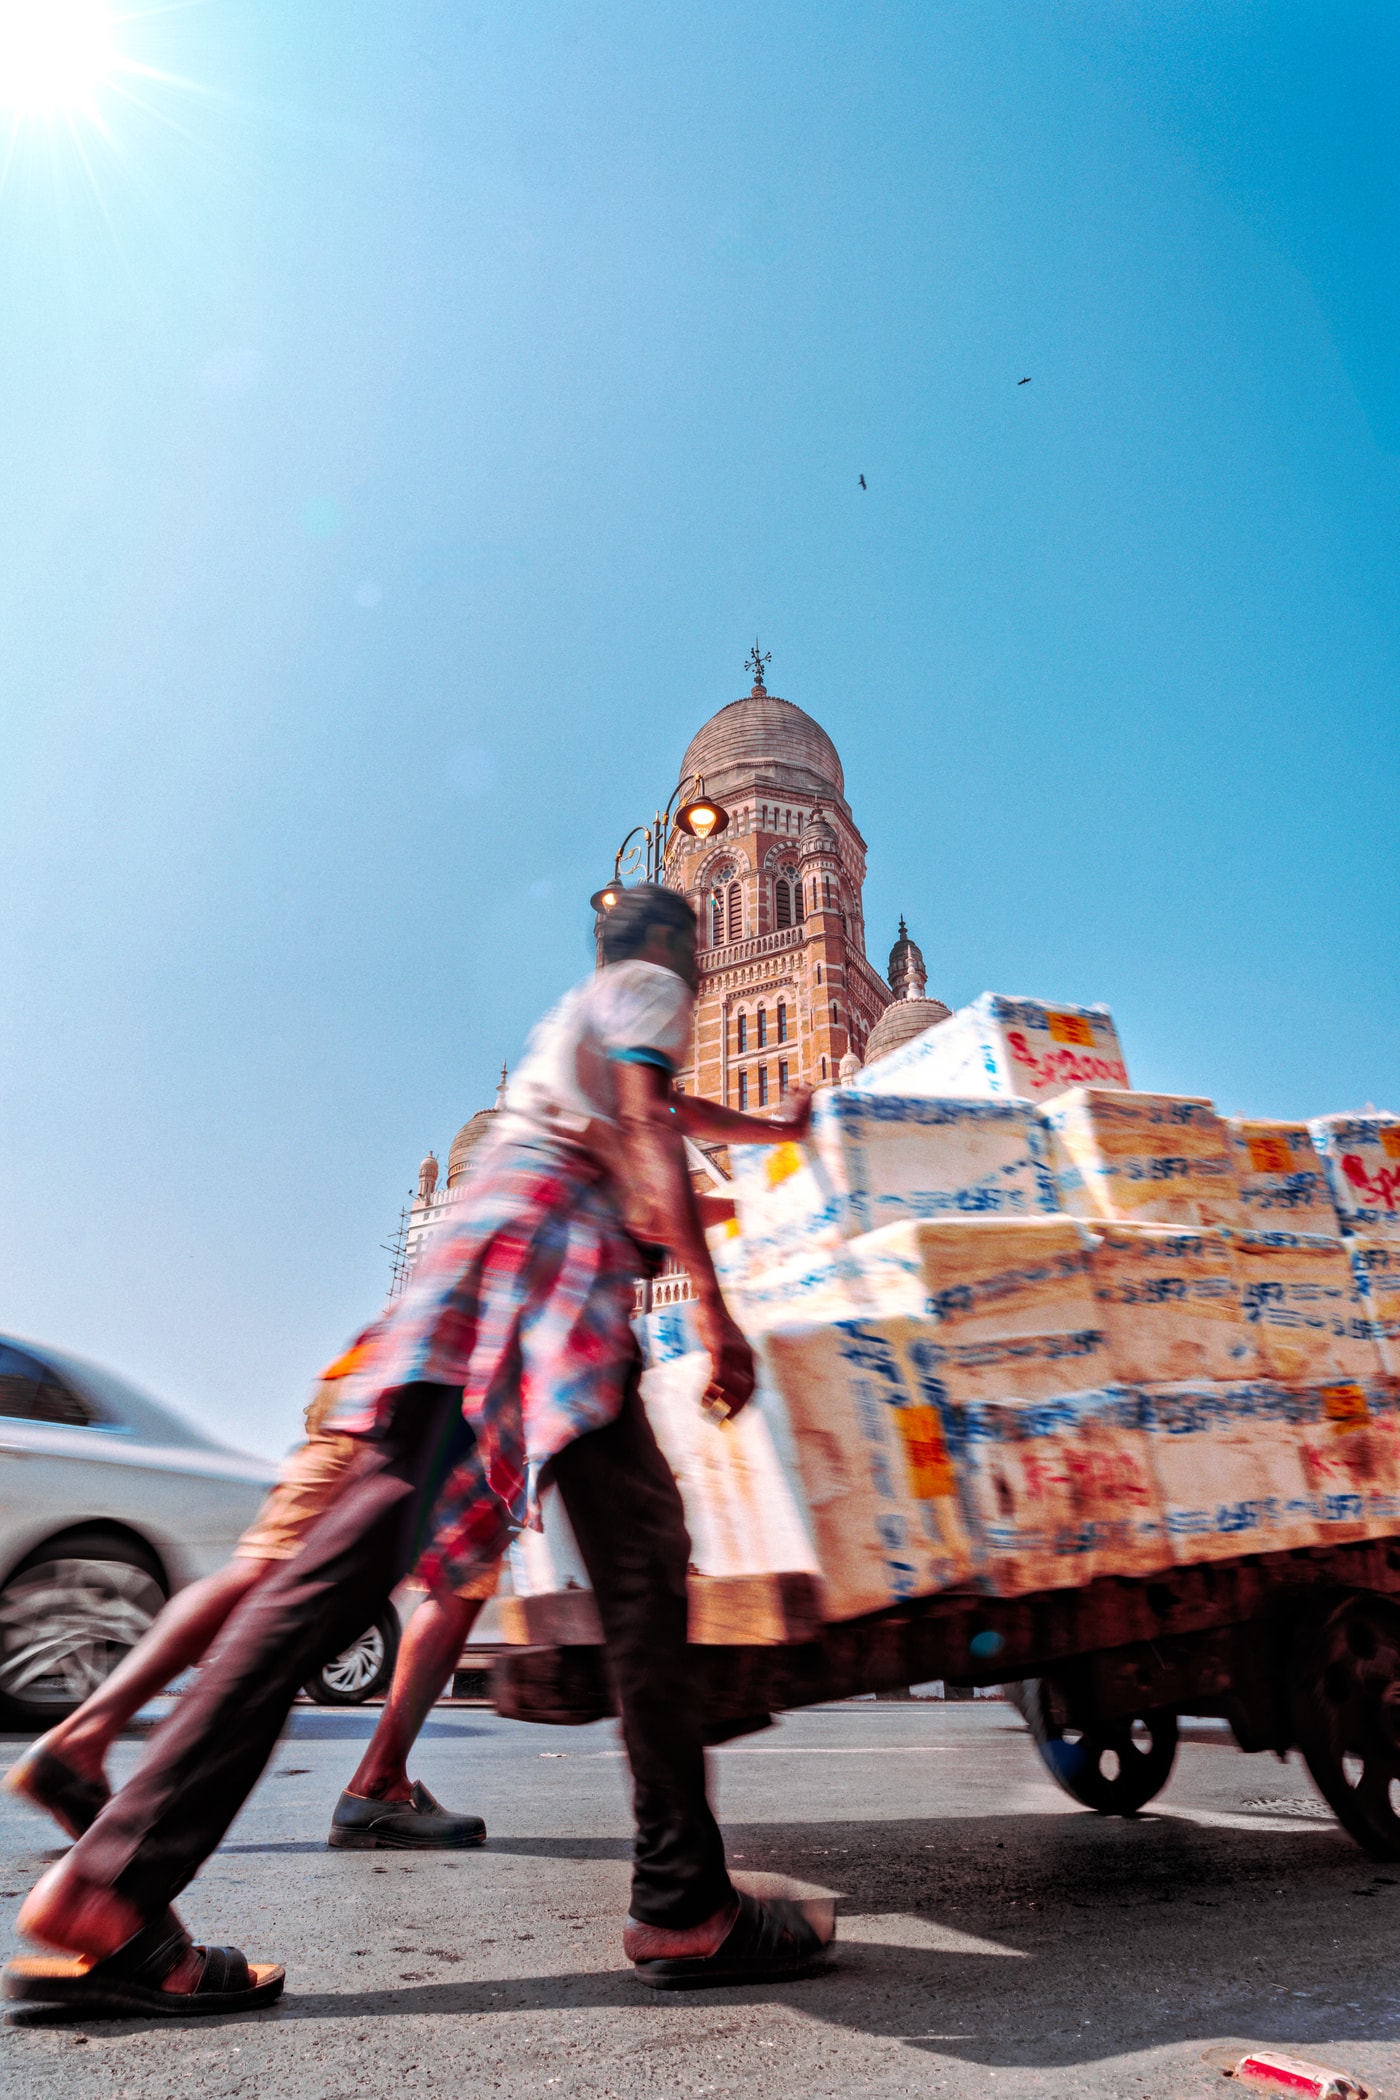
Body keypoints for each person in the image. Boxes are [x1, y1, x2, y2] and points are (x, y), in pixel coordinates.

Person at [7, 885, 835, 2018]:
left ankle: (108, 1882)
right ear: (677, 948)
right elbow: (651, 1126)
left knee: (331, 1571)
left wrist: (771, 1133)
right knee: (643, 1575)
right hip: (549, 1281)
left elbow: (669, 1107)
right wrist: (722, 1308)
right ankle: (684, 1901)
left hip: (475, 1271)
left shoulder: (579, 1024)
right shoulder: (647, 990)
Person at [6, 1335, 495, 1853]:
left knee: (266, 1565)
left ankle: (83, 1736)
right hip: (457, 1401)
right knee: (460, 1583)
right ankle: (380, 1782)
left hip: (362, 1381)